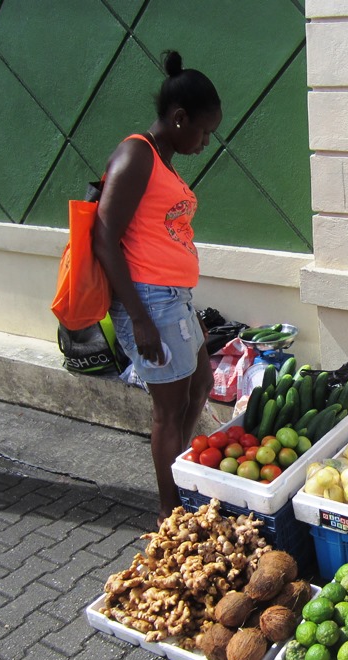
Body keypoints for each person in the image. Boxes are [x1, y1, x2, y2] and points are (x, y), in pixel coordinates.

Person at [93, 50, 223, 525]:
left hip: (173, 298)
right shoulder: (136, 153)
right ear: (179, 117)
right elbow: (104, 236)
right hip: (150, 300)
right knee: (168, 410)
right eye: (204, 131)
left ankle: (180, 482)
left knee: (201, 384)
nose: (207, 141)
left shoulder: (161, 163)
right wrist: (140, 319)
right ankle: (171, 513)